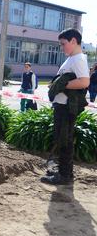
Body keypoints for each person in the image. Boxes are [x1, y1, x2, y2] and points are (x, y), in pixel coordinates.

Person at [41, 28, 89, 185]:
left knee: (65, 140)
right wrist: (57, 84)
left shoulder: (78, 59)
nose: (62, 47)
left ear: (74, 41)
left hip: (67, 107)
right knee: (63, 139)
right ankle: (65, 173)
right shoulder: (72, 58)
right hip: (62, 105)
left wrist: (60, 85)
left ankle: (64, 176)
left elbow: (84, 82)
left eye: (63, 44)